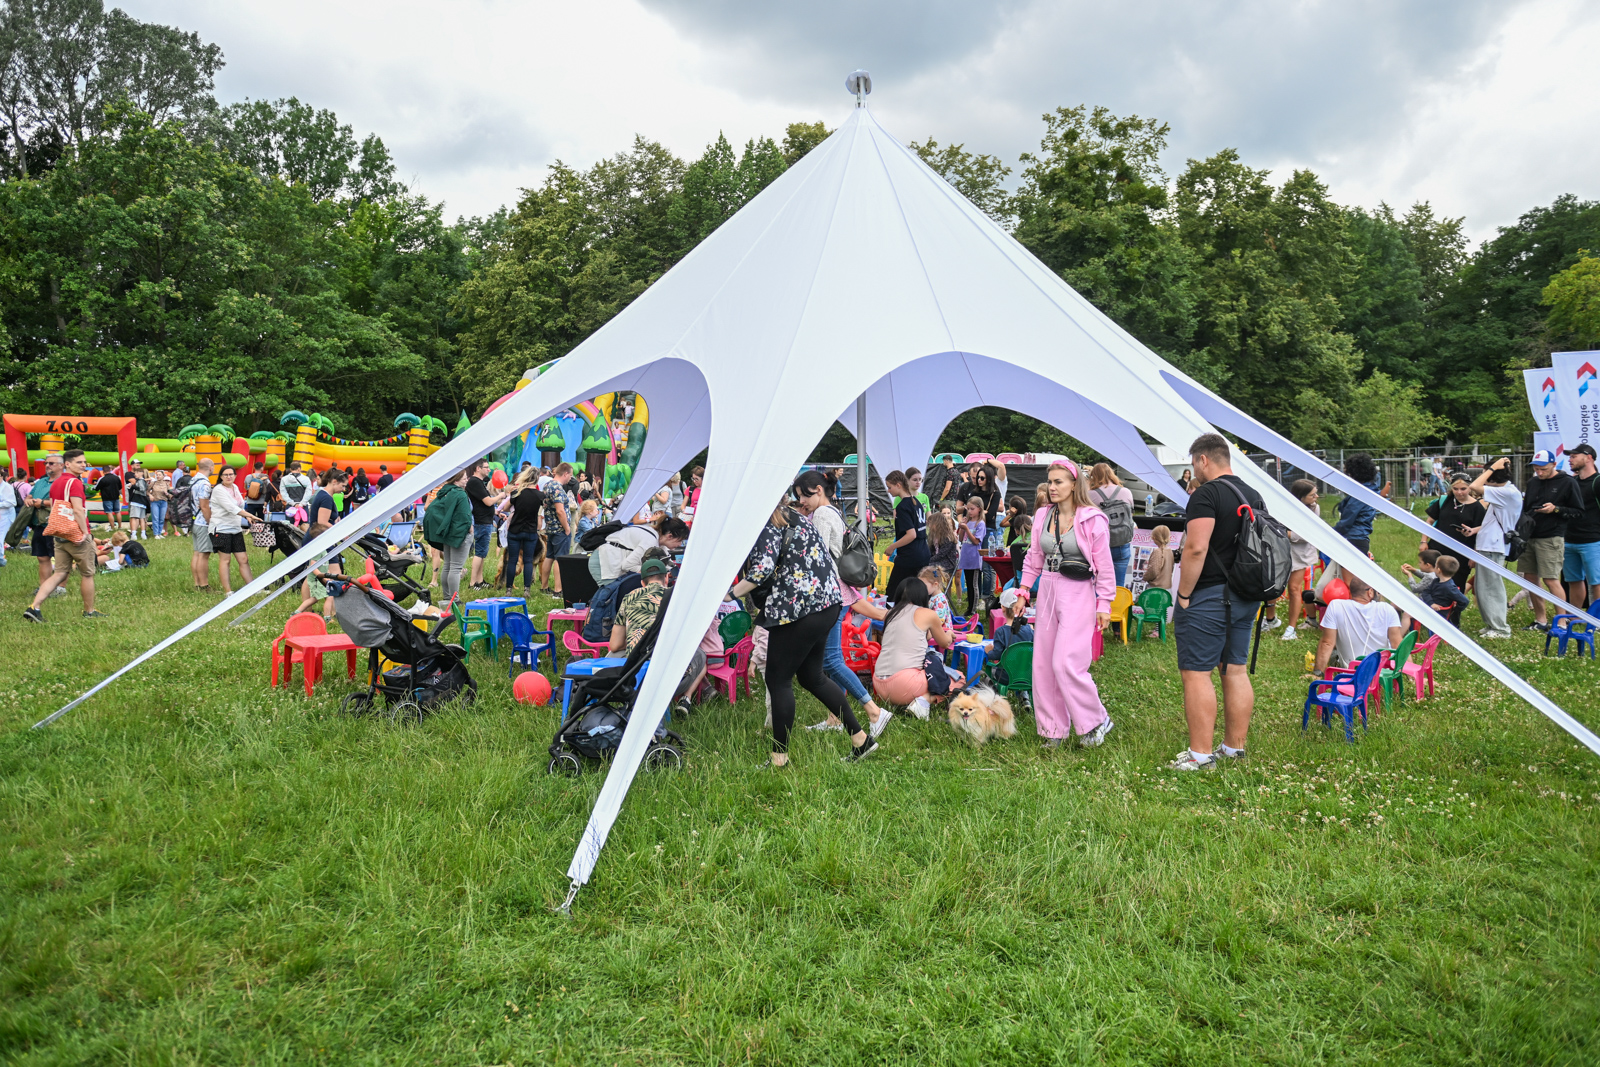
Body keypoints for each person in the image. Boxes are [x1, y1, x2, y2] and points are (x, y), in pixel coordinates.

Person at [731, 501, 878, 765]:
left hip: (799, 608)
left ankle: (780, 758)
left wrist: (729, 595)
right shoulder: (793, 516)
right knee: (812, 677)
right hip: (827, 603)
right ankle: (861, 740)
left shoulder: (767, 521)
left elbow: (762, 569)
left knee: (778, 680)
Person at [1170, 434, 1263, 770]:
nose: (1194, 469)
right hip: (1246, 593)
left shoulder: (1206, 494)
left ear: (1203, 460)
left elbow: (1196, 548)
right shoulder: (1252, 495)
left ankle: (1200, 755)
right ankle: (1234, 748)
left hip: (1210, 595)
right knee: (1234, 669)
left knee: (1196, 673)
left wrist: (1183, 594)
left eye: (1193, 463)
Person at [1019, 460, 1115, 748]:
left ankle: (1096, 721)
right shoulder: (1042, 515)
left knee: (1066, 662)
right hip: (1047, 589)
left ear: (1074, 484)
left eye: (1058, 481)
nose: (1052, 487)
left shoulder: (1093, 519)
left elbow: (1104, 566)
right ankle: (1052, 730)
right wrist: (1023, 590)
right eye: (1050, 481)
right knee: (1043, 665)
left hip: (1078, 591)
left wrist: (1104, 604)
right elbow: (1034, 557)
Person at [790, 470, 892, 737]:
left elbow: (817, 556)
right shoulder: (832, 511)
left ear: (818, 490)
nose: (802, 501)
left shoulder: (822, 514)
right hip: (837, 593)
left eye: (803, 495)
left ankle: (874, 711)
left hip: (829, 595)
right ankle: (835, 717)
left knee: (831, 660)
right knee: (830, 659)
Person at [606, 555, 708, 716]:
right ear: (667, 578)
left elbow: (615, 645)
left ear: (642, 582)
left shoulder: (629, 598)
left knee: (614, 655)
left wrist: (637, 639)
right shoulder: (677, 597)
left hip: (633, 678)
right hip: (667, 681)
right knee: (700, 654)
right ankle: (686, 698)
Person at [23, 450, 103, 621]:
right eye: (79, 462)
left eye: (84, 462)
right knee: (87, 574)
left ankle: (34, 607)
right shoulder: (75, 483)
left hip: (59, 533)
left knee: (59, 573)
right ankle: (89, 611)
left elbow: (54, 506)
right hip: (76, 535)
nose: (83, 465)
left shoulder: (56, 482)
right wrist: (85, 533)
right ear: (67, 464)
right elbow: (78, 510)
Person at [871, 577, 953, 719]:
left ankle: (909, 701)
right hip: (904, 686)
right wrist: (949, 634)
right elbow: (944, 643)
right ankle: (924, 701)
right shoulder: (928, 613)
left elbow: (918, 636)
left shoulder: (890, 613)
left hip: (879, 684)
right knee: (955, 678)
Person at [1520, 449, 1584, 631]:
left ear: (1554, 465)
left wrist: (1555, 509)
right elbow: (1526, 508)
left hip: (1551, 537)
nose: (1539, 473)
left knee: (1550, 579)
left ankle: (1561, 622)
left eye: (1544, 469)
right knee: (1530, 578)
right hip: (1530, 535)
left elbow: (1579, 512)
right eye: (1536, 469)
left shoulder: (1568, 482)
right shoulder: (1532, 482)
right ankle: (1540, 620)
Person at [1464, 457, 1521, 639]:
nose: (1484, 477)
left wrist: (1493, 468)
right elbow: (1495, 520)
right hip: (1488, 544)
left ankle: (1500, 628)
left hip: (1494, 546)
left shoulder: (1506, 492)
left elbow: (1474, 486)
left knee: (1491, 588)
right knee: (1483, 588)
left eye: (1487, 474)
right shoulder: (1502, 492)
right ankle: (1491, 624)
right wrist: (1475, 530)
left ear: (1493, 477)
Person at [1312, 576, 1402, 676]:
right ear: (1370, 592)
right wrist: (1410, 673)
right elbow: (1398, 645)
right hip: (1382, 670)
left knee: (1334, 654)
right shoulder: (1387, 609)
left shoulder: (1335, 606)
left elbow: (1327, 643)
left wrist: (1317, 673)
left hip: (1351, 669)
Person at [1423, 474, 1485, 595]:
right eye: (1455, 489)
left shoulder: (1477, 507)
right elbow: (1429, 521)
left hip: (1461, 553)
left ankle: (1453, 607)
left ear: (1470, 488)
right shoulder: (1445, 501)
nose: (1459, 492)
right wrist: (1424, 541)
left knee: (1455, 586)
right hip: (1438, 549)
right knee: (1432, 584)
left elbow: (1481, 533)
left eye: (1463, 489)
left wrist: (1474, 555)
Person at [423, 469, 473, 603]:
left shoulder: (444, 491)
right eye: (464, 478)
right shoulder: (460, 494)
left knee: (448, 566)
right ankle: (455, 600)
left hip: (448, 534)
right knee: (455, 568)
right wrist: (470, 528)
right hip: (459, 534)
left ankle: (447, 597)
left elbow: (430, 509)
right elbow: (465, 516)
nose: (466, 480)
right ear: (456, 481)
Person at [208, 466, 260, 595]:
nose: (228, 477)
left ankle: (253, 588)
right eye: (225, 475)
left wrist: (247, 516)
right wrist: (250, 515)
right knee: (225, 560)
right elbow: (231, 508)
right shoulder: (218, 490)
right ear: (221, 476)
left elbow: (239, 506)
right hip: (221, 528)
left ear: (235, 475)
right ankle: (228, 591)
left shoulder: (235, 487)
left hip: (236, 528)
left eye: (231, 474)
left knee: (243, 559)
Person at [883, 470, 929, 604]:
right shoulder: (916, 502)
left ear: (898, 485)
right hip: (923, 552)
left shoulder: (903, 506)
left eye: (889, 487)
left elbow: (911, 534)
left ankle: (892, 615)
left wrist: (892, 547)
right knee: (916, 594)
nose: (888, 491)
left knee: (892, 594)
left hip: (910, 556)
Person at [1563, 443, 1600, 609]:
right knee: (1574, 581)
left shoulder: (1597, 481)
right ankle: (1575, 616)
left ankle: (1597, 618)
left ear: (1589, 458)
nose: (1570, 460)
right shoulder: (1571, 482)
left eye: (1574, 456)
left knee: (1596, 582)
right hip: (1569, 540)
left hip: (1593, 540)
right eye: (1570, 457)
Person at [1088, 463, 1136, 588]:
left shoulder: (1090, 495)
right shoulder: (1126, 492)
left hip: (1099, 546)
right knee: (1118, 586)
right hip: (1122, 543)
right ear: (1111, 474)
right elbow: (1130, 515)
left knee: (1099, 585)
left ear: (1094, 477)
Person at [463, 459, 505, 590]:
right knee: (480, 552)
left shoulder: (479, 482)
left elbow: (482, 503)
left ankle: (480, 580)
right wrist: (500, 496)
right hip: (481, 522)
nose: (489, 469)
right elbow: (488, 502)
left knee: (482, 553)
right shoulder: (475, 482)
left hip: (484, 520)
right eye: (486, 467)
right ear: (478, 468)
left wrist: (496, 512)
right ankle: (473, 583)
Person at [26, 454, 64, 593]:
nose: (47, 465)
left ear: (61, 465)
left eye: (51, 463)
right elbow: (30, 495)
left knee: (60, 558)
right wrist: (28, 499)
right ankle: (44, 587)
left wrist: (42, 503)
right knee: (42, 556)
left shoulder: (65, 482)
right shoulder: (41, 481)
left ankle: (60, 588)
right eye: (46, 463)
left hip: (57, 524)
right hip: (39, 524)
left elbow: (66, 502)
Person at [503, 468, 544, 592]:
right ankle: (527, 589)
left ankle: (508, 589)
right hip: (530, 530)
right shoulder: (540, 495)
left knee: (512, 560)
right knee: (528, 561)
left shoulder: (517, 492)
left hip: (515, 529)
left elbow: (505, 508)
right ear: (537, 479)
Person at [984, 587, 1035, 684]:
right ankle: (1023, 692)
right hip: (1027, 675)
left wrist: (988, 652)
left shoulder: (1001, 632)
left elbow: (997, 655)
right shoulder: (1029, 630)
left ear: (1003, 608)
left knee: (991, 671)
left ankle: (995, 691)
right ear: (1022, 609)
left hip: (1006, 676)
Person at [1334, 453, 1380, 557]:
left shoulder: (1360, 495)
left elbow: (1347, 521)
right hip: (1360, 539)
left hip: (1353, 540)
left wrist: (1329, 533)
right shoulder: (1370, 490)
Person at [539, 463, 576, 593]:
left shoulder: (547, 485)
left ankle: (544, 586)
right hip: (560, 528)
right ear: (565, 473)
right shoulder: (557, 488)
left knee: (549, 556)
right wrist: (567, 528)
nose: (570, 479)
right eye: (570, 476)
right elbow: (560, 511)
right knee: (560, 559)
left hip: (550, 526)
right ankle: (558, 589)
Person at [291, 523, 339, 620]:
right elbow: (312, 566)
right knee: (329, 597)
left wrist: (328, 575)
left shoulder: (323, 550)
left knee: (314, 599)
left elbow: (324, 565)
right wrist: (322, 576)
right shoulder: (318, 551)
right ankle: (327, 618)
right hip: (318, 580)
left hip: (320, 579)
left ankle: (297, 612)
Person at [957, 495, 987, 615]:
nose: (969, 511)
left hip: (974, 558)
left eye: (972, 509)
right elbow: (960, 539)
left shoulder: (980, 524)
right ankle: (970, 607)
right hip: (966, 557)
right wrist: (962, 527)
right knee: (968, 584)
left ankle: (972, 609)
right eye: (968, 509)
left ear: (979, 509)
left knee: (974, 585)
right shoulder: (968, 522)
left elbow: (976, 541)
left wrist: (967, 529)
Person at [189, 459, 216, 592]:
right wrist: (210, 522)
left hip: (193, 520)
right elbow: (204, 506)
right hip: (202, 522)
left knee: (197, 553)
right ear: (211, 468)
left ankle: (197, 584)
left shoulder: (193, 480)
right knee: (204, 555)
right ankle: (204, 585)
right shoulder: (205, 483)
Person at [925, 510, 959, 595]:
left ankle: (933, 591)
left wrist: (928, 560)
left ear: (937, 523)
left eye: (930, 523)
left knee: (928, 566)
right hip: (937, 561)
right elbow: (930, 551)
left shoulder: (948, 537)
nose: (929, 526)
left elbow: (942, 554)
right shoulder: (933, 536)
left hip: (947, 562)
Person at [1143, 524, 1174, 591]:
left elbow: (1153, 570)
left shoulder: (1158, 551)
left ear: (1154, 538)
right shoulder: (1169, 551)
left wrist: (1145, 577)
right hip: (1167, 587)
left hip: (1157, 588)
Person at [124, 461, 148, 540]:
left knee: (134, 517)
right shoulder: (129, 474)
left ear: (141, 473)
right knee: (141, 518)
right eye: (137, 465)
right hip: (142, 501)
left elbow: (141, 488)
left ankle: (134, 533)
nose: (135, 474)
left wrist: (133, 486)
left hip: (136, 500)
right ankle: (143, 533)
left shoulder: (140, 481)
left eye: (137, 473)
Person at [147, 468, 169, 538]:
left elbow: (170, 494)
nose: (158, 476)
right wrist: (150, 495)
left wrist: (167, 493)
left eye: (160, 475)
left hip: (164, 502)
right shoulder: (153, 483)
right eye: (157, 475)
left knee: (162, 518)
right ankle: (156, 533)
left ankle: (159, 532)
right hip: (155, 501)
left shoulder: (166, 484)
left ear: (163, 476)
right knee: (155, 518)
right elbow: (147, 491)